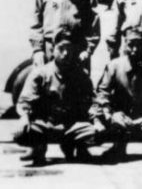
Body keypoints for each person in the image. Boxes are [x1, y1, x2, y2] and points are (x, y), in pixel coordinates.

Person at [91, 26, 142, 162]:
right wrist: (107, 111)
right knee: (113, 122)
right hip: (123, 117)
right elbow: (102, 92)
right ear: (125, 44)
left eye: (139, 45)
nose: (135, 50)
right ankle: (118, 148)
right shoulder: (114, 65)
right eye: (131, 45)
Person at [13, 31, 95, 166]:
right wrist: (24, 117)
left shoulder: (81, 75)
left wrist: (97, 120)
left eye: (69, 49)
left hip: (71, 126)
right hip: (46, 124)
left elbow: (92, 101)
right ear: (53, 49)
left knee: (98, 132)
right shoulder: (40, 73)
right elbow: (25, 100)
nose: (65, 54)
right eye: (61, 49)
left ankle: (79, 148)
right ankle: (38, 149)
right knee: (22, 132)